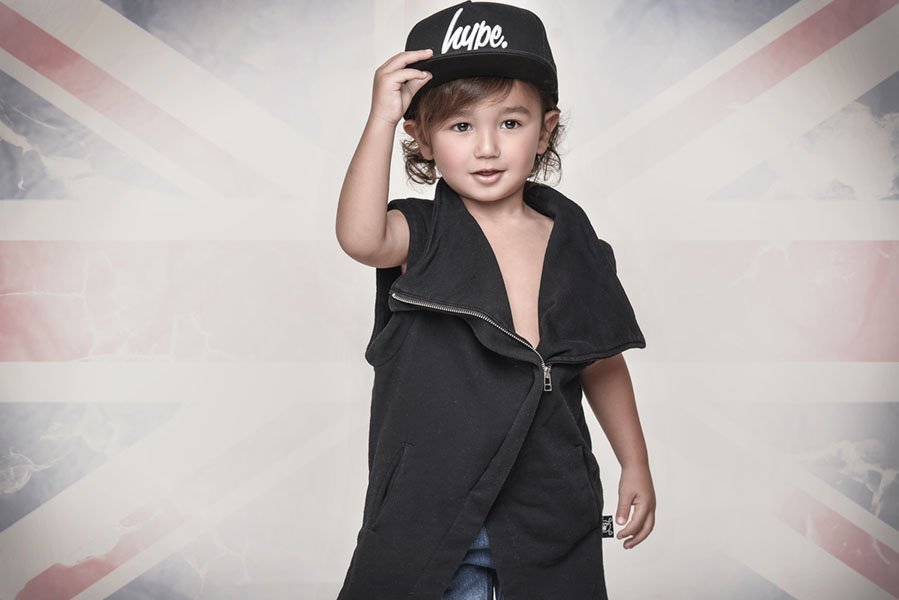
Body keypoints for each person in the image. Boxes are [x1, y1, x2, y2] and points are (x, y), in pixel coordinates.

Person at [335, 2, 656, 599]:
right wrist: (380, 118)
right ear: (420, 138)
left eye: (510, 122)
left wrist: (633, 461)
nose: (487, 147)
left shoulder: (576, 244)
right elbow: (360, 237)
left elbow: (600, 360)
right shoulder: (420, 234)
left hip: (549, 514)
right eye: (460, 126)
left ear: (545, 130)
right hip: (432, 515)